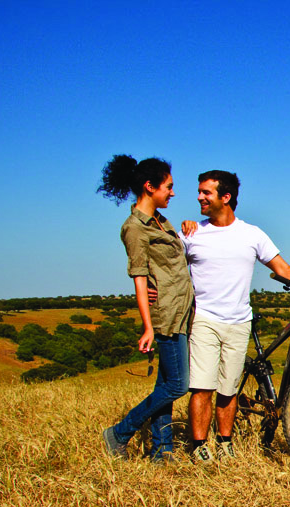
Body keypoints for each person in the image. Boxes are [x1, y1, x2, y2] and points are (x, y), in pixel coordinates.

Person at [180, 170, 290, 461]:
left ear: (226, 197)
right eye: (199, 192)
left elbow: (280, 266)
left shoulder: (251, 234)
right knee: (202, 387)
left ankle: (225, 444)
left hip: (239, 321)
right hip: (204, 319)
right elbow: (169, 268)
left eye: (206, 192)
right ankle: (198, 447)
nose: (199, 197)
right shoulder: (192, 233)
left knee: (229, 388)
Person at [97, 155, 194, 463]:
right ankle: (120, 433)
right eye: (169, 187)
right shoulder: (135, 228)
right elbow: (139, 278)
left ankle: (162, 450)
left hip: (181, 311)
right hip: (165, 314)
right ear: (150, 187)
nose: (173, 193)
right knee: (178, 385)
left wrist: (188, 228)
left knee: (165, 383)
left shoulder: (160, 221)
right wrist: (148, 326)